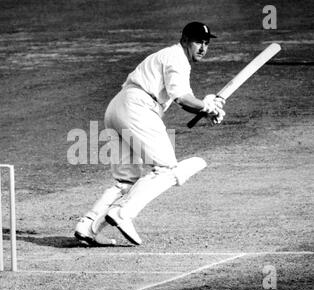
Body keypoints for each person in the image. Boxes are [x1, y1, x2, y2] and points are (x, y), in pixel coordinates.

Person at [74, 21, 226, 246]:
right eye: (197, 42)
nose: (202, 48)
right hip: (138, 107)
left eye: (206, 43)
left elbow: (186, 101)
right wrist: (207, 107)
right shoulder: (177, 60)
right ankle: (123, 213)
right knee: (166, 169)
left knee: (125, 180)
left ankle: (87, 226)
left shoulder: (169, 56)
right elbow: (182, 98)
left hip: (118, 106)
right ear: (184, 40)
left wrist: (205, 106)